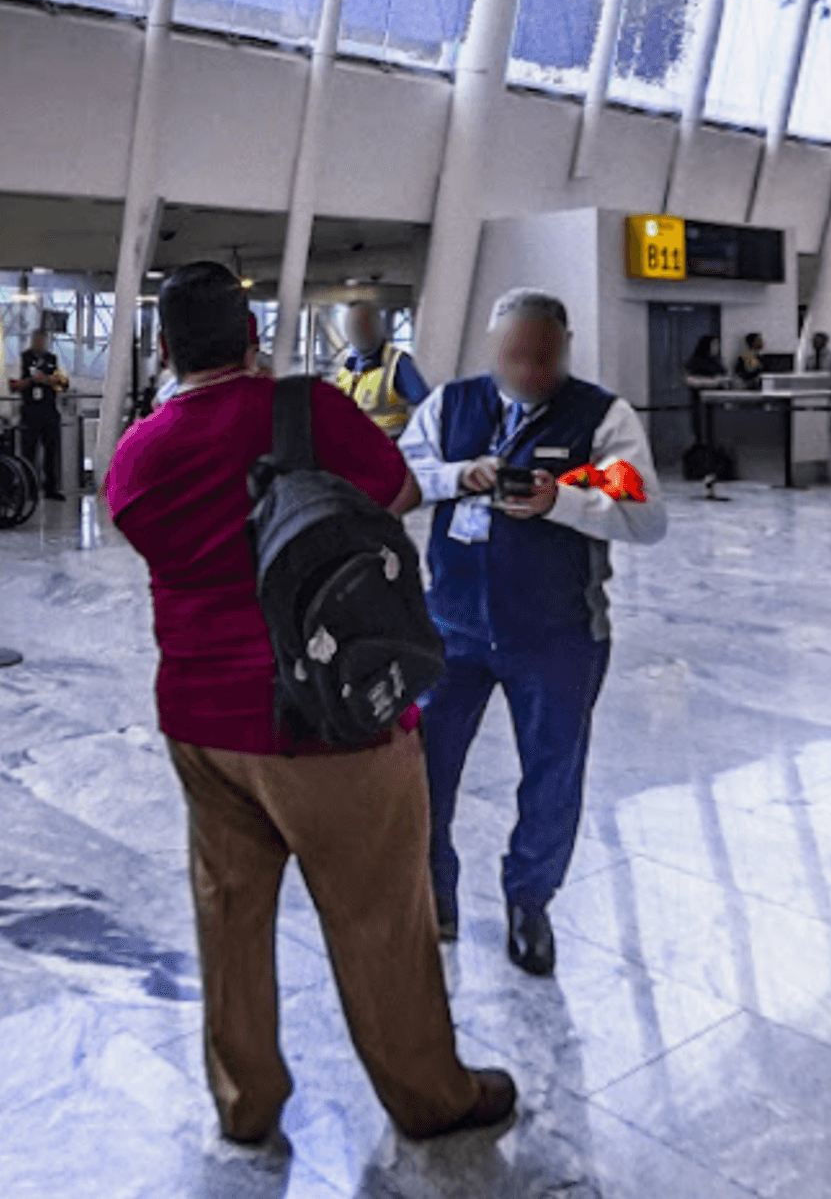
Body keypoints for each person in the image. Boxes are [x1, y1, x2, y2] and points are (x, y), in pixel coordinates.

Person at [105, 261, 517, 1148]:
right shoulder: (307, 410)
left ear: (167, 349)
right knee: (380, 918)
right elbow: (399, 494)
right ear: (252, 337)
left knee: (229, 914)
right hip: (328, 718)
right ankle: (429, 1096)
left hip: (202, 723)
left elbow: (141, 527)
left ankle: (245, 1101)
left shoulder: (137, 452)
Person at [400, 288, 667, 977]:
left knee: (552, 773)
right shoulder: (452, 405)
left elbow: (646, 517)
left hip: (557, 634)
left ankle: (530, 901)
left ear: (566, 347)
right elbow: (402, 478)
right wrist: (461, 475)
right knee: (425, 769)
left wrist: (562, 502)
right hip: (452, 628)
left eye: (545, 358)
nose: (530, 371)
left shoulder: (601, 417)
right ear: (492, 351)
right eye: (516, 357)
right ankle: (436, 892)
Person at [335, 301, 431, 438]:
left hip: (388, 446)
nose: (358, 331)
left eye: (364, 325)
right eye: (354, 326)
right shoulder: (345, 366)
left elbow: (427, 405)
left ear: (377, 326)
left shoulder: (397, 363)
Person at [16, 329, 70, 499]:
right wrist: (31, 381)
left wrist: (48, 380)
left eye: (43, 341)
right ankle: (29, 487)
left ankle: (51, 487)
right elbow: (14, 384)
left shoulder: (52, 360)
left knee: (51, 450)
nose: (41, 344)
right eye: (38, 341)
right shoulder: (23, 358)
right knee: (29, 451)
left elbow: (63, 383)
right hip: (30, 409)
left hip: (48, 409)